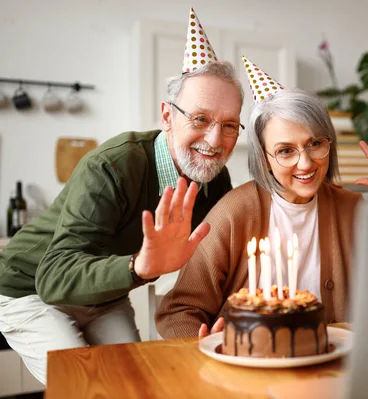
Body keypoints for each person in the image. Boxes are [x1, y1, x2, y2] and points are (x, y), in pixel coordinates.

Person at [0, 8, 244, 384]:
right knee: (84, 382)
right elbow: (52, 277)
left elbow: (219, 263)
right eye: (200, 119)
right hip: (27, 289)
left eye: (229, 125)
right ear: (167, 115)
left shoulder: (215, 180)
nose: (215, 140)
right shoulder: (113, 166)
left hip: (104, 295)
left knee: (132, 380)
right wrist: (138, 267)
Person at [155, 56, 368, 339]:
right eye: (286, 151)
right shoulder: (235, 212)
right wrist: (205, 350)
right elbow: (179, 310)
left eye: (315, 144)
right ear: (264, 159)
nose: (306, 164)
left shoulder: (352, 210)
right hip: (248, 370)